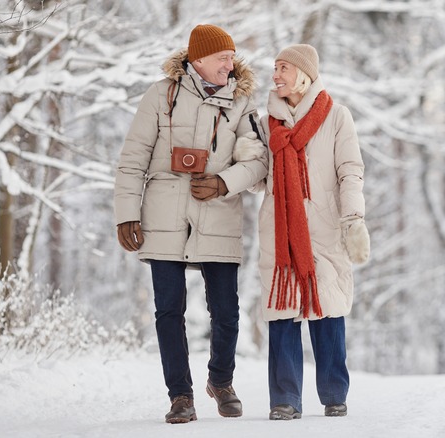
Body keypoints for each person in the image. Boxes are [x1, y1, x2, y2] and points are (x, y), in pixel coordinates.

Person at [114, 24, 268, 424]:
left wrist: (222, 182)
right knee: (168, 311)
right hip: (163, 214)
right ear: (197, 60)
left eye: (232, 58)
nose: (229, 65)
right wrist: (126, 214)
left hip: (218, 213)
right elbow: (132, 159)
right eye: (222, 58)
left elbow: (257, 161)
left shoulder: (242, 101)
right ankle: (180, 396)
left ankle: (221, 381)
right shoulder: (160, 96)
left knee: (227, 311)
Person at [257, 44, 370, 420]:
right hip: (280, 230)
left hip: (323, 227)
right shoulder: (265, 125)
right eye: (275, 68)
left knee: (328, 309)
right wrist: (224, 177)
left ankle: (334, 393)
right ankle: (285, 400)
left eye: (283, 68)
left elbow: (349, 170)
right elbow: (256, 174)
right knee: (282, 309)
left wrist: (353, 219)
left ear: (304, 74)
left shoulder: (336, 117)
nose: (276, 75)